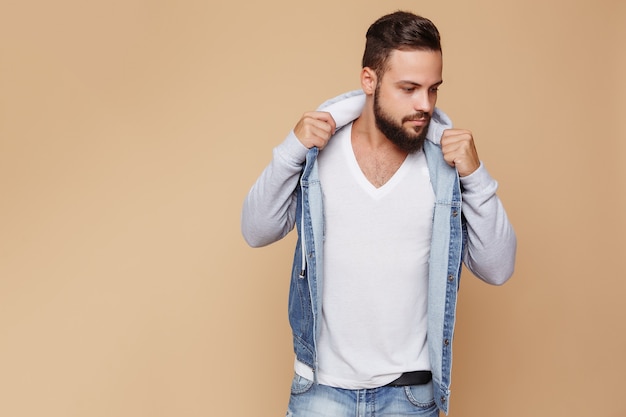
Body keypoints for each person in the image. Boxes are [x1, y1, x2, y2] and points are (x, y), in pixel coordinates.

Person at [241, 10, 516, 417]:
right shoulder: (318, 156)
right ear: (369, 80)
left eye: (433, 89)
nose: (424, 105)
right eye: (409, 88)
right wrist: (289, 152)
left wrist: (476, 176)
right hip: (322, 391)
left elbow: (497, 268)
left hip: (409, 397)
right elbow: (256, 229)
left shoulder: (445, 167)